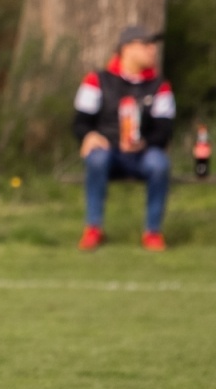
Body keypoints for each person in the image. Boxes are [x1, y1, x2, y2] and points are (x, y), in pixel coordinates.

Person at [74, 25, 176, 251]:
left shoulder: (160, 86)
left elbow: (165, 129)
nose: (152, 50)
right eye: (146, 45)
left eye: (153, 46)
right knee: (96, 158)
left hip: (142, 154)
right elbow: (80, 122)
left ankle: (152, 232)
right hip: (108, 152)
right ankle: (93, 228)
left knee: (159, 164)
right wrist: (89, 136)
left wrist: (145, 144)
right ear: (126, 49)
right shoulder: (96, 80)